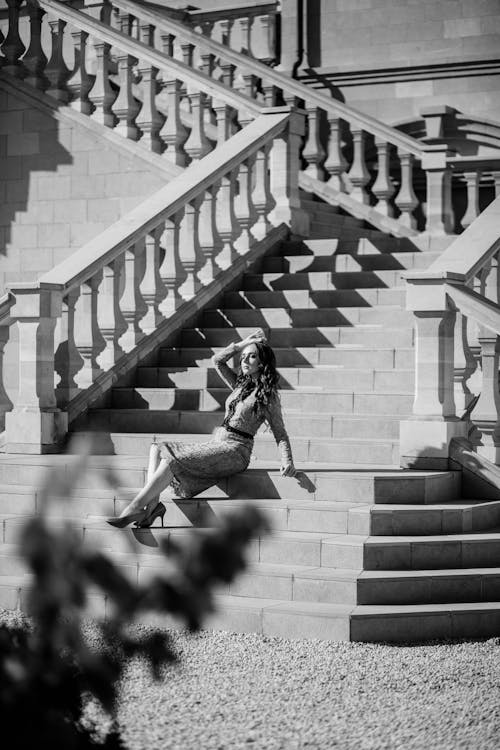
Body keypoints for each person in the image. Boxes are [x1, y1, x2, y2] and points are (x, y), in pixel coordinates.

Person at [107, 329, 296, 528]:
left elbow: (280, 434)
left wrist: (287, 461)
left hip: (236, 451)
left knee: (171, 460)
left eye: (252, 356)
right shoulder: (240, 386)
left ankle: (135, 507)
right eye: (243, 357)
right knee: (157, 447)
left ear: (262, 362)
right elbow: (217, 361)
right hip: (218, 444)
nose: (245, 360)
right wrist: (240, 345)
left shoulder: (267, 396)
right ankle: (151, 507)